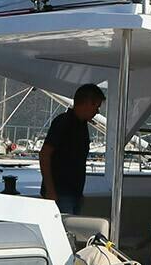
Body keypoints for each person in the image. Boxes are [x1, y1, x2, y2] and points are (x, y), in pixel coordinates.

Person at [40, 83, 104, 214]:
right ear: (86, 103)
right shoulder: (63, 122)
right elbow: (44, 154)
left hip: (73, 193)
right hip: (60, 193)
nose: (97, 111)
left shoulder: (82, 126)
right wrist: (51, 191)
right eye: (96, 106)